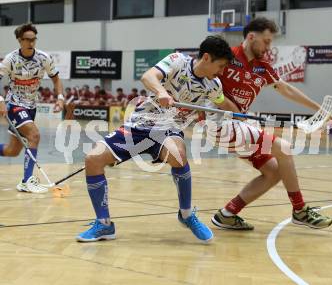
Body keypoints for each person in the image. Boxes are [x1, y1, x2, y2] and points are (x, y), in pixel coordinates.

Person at [76, 36, 234, 242]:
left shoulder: (213, 85)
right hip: (140, 124)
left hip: (169, 129)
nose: (221, 72)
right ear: (206, 58)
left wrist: (240, 114)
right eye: (220, 66)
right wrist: (160, 91)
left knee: (178, 155)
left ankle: (186, 215)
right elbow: (148, 76)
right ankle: (104, 225)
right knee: (93, 159)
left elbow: (222, 103)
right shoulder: (177, 61)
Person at [210, 17, 332, 230]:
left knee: (275, 171)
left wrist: (318, 109)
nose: (269, 47)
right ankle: (300, 210)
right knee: (284, 148)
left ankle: (227, 214)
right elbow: (205, 81)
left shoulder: (262, 67)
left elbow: (286, 89)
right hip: (219, 123)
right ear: (251, 37)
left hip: (237, 126)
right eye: (266, 41)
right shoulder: (227, 57)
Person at [0, 23, 64, 193]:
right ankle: (27, 181)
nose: (31, 43)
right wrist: (1, 101)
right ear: (20, 41)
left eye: (33, 39)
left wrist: (60, 98)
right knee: (34, 135)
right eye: (27, 40)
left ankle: (26, 180)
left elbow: (56, 79)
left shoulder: (44, 58)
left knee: (11, 151)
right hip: (14, 104)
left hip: (31, 106)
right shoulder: (10, 59)